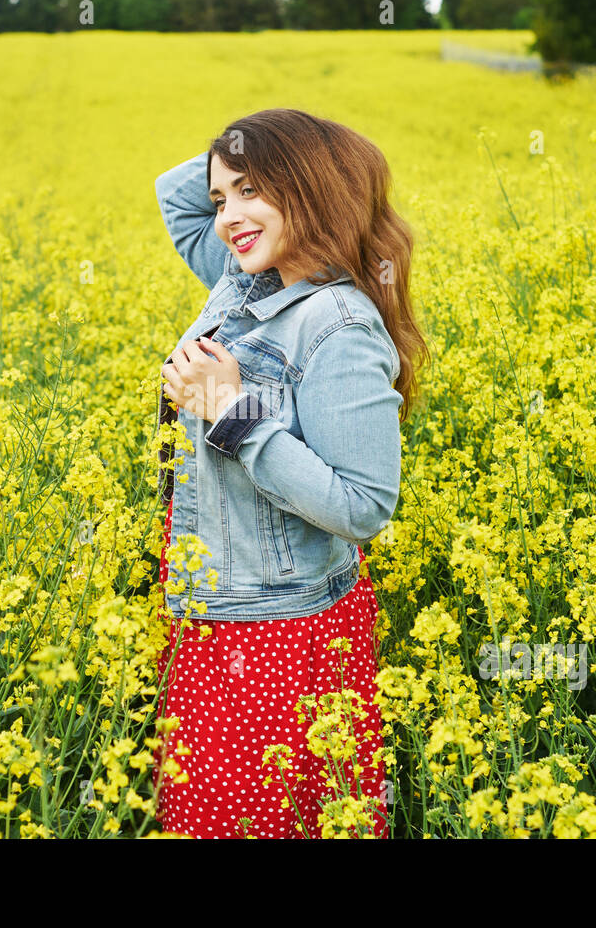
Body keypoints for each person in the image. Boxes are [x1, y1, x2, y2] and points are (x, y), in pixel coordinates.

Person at [150, 108, 428, 839]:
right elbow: (173, 194)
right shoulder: (247, 277)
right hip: (206, 600)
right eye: (222, 199)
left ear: (308, 188)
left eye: (250, 192)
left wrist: (232, 415)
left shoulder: (338, 325)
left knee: (262, 821)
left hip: (275, 631)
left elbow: (365, 506)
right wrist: (262, 143)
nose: (226, 219)